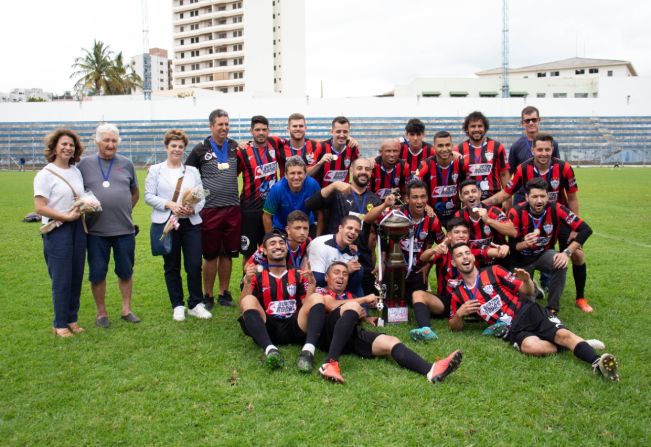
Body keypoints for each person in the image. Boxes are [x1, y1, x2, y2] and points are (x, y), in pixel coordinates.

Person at [447, 242, 619, 381]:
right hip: (512, 329)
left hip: (527, 311)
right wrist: (460, 313)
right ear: (454, 262)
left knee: (563, 336)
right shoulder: (458, 294)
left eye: (467, 253)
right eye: (459, 255)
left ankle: (598, 362)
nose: (465, 257)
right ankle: (578, 345)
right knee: (531, 347)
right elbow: (454, 326)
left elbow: (529, 292)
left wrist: (528, 280)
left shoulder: (493, 271)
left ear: (473, 256)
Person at [316, 261, 463, 384]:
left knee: (390, 341)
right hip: (326, 334)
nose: (341, 276)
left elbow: (349, 317)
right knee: (352, 306)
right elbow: (331, 305)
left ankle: (430, 370)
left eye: (345, 274)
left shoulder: (349, 296)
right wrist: (363, 300)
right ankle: (330, 363)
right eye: (336, 272)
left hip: (348, 336)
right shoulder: (321, 292)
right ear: (327, 277)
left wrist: (364, 318)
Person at [144, 129, 211, 322]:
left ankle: (195, 303)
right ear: (166, 147)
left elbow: (201, 196)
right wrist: (170, 204)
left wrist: (193, 209)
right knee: (171, 265)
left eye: (181, 146)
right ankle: (178, 305)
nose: (177, 149)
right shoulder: (156, 170)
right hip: (168, 222)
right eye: (173, 146)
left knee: (194, 264)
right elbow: (149, 196)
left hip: (190, 223)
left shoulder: (192, 171)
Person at [77, 123, 140, 328]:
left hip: (124, 230)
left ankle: (126, 309)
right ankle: (101, 312)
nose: (110, 144)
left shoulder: (127, 163)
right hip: (96, 231)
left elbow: (134, 192)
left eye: (114, 140)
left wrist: (124, 210)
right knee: (97, 273)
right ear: (97, 141)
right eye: (106, 140)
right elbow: (78, 194)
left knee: (125, 271)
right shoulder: (84, 165)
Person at [238, 231, 326, 372]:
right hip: (268, 327)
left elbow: (307, 305)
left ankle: (308, 352)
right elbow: (243, 306)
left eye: (281, 243)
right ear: (265, 251)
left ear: (286, 248)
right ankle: (270, 350)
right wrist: (248, 282)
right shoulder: (257, 276)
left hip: (294, 326)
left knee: (317, 297)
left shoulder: (299, 274)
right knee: (248, 299)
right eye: (272, 244)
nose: (278, 246)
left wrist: (311, 284)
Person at [507, 178, 593, 314]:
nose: (539, 200)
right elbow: (511, 247)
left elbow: (586, 229)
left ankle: (552, 309)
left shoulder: (556, 208)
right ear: (527, 197)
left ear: (548, 196)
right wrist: (524, 244)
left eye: (543, 196)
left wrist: (566, 253)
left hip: (542, 255)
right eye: (535, 196)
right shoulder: (516, 212)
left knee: (560, 262)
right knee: (525, 306)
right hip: (520, 260)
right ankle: (535, 289)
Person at [378, 180, 446, 342]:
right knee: (387, 299)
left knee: (413, 301)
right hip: (395, 269)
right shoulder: (396, 214)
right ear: (407, 199)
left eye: (423, 197)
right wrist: (381, 262)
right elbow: (379, 229)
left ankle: (424, 325)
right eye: (415, 197)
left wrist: (429, 264)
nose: (420, 201)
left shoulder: (433, 220)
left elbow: (443, 244)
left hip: (417, 271)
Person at [185, 109, 240, 308]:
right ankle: (207, 295)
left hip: (233, 208)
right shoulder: (200, 149)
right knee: (210, 255)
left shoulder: (234, 147)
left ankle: (224, 293)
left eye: (227, 124)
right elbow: (188, 175)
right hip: (209, 210)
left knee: (228, 254)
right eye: (220, 124)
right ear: (211, 126)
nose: (224, 128)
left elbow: (238, 170)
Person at [34, 129, 86, 337]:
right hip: (58, 229)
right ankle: (60, 323)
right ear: (54, 146)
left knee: (76, 275)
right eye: (64, 144)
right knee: (62, 278)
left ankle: (72, 319)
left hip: (78, 228)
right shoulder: (45, 174)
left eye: (71, 145)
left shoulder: (76, 171)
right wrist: (66, 217)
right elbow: (40, 207)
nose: (68, 148)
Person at [305, 157, 384, 294]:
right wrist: (333, 186)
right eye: (359, 168)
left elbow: (379, 234)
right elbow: (310, 204)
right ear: (351, 170)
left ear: (371, 173)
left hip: (361, 259)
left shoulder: (375, 200)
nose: (363, 172)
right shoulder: (338, 192)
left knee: (370, 294)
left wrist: (380, 261)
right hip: (334, 255)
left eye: (367, 169)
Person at [420, 218, 510, 317]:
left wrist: (504, 248)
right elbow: (423, 258)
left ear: (468, 234)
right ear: (449, 235)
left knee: (496, 294)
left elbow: (497, 252)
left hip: (471, 299)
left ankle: (500, 318)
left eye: (464, 232)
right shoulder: (443, 249)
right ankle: (426, 328)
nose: (461, 235)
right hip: (446, 299)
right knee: (418, 295)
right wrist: (434, 250)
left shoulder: (473, 248)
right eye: (457, 232)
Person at [236, 115, 279, 265]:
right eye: (257, 130)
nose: (261, 133)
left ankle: (267, 283)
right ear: (251, 131)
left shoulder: (275, 143)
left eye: (264, 129)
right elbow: (233, 174)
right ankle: (246, 284)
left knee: (270, 248)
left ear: (268, 131)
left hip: (272, 207)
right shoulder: (242, 151)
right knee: (249, 252)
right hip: (250, 209)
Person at [455, 111, 510, 204]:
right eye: (473, 126)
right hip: (469, 203)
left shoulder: (497, 147)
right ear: (467, 129)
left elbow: (504, 174)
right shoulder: (458, 150)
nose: (476, 129)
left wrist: (508, 201)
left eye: (480, 126)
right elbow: (456, 180)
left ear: (485, 128)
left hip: (494, 201)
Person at [417, 130, 467, 227]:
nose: (444, 149)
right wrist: (426, 207)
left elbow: (468, 187)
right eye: (440, 146)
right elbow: (412, 188)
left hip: (455, 214)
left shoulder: (460, 164)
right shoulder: (425, 165)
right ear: (434, 147)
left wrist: (465, 208)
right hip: (431, 214)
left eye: (447, 145)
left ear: (452, 146)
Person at [263, 156, 321, 236]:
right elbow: (266, 216)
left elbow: (321, 212)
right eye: (292, 173)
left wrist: (317, 238)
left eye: (299, 173)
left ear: (305, 174)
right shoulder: (277, 189)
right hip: (282, 228)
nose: (296, 177)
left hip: (306, 226)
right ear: (286, 175)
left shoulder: (312, 185)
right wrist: (270, 238)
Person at [307, 215, 364, 297]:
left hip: (338, 289)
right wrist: (345, 270)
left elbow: (356, 283)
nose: (353, 232)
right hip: (316, 290)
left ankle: (354, 301)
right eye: (350, 228)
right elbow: (317, 280)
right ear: (340, 228)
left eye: (357, 231)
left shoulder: (352, 251)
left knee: (359, 271)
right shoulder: (320, 244)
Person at [455, 180, 516, 251]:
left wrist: (488, 220)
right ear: (461, 198)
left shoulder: (494, 211)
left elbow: (513, 232)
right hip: (473, 259)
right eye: (466, 193)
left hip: (497, 258)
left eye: (474, 191)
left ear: (480, 193)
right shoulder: (459, 215)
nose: (471, 195)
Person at [245, 211, 311, 271]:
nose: (302, 232)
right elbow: (247, 267)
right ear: (288, 230)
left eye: (305, 228)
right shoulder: (274, 244)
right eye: (297, 228)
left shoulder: (309, 242)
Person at [508, 106, 560, 178]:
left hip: (547, 188)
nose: (531, 123)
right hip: (525, 188)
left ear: (539, 120)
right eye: (527, 120)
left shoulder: (552, 144)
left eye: (534, 120)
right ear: (522, 123)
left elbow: (558, 168)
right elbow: (510, 173)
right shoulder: (516, 146)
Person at [313, 116, 360, 187]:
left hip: (343, 194)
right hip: (322, 194)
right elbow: (308, 173)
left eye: (345, 132)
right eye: (338, 131)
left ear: (348, 132)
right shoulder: (320, 147)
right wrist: (320, 163)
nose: (342, 135)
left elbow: (358, 168)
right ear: (331, 132)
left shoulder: (352, 147)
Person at [275, 112, 322, 177]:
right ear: (288, 129)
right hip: (287, 186)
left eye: (301, 126)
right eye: (294, 126)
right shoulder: (280, 149)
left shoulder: (316, 146)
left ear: (305, 128)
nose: (298, 129)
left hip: (311, 186)